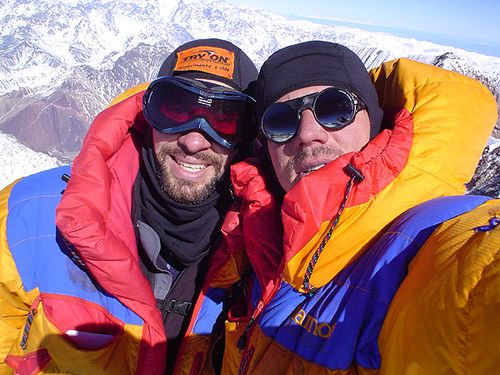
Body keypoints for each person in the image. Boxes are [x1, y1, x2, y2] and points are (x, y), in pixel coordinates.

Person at [174, 41, 500, 374]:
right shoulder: (256, 242)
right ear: (265, 145)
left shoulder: (431, 240)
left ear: (373, 122)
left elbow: (478, 277)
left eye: (333, 108)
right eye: (281, 120)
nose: (308, 133)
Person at [0, 38, 257, 374]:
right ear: (146, 114)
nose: (194, 140)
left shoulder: (262, 253)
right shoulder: (28, 217)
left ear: (246, 138)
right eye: (175, 109)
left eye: (225, 119)